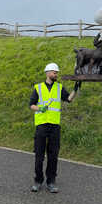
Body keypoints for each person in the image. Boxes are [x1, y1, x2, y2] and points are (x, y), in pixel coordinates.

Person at [29, 62, 78, 193]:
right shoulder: (38, 88)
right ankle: (38, 181)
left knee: (53, 155)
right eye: (54, 72)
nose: (56, 74)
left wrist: (76, 89)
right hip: (41, 126)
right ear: (48, 73)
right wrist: (40, 108)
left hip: (54, 126)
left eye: (57, 72)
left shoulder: (59, 87)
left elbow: (69, 99)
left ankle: (51, 182)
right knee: (39, 155)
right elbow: (31, 105)